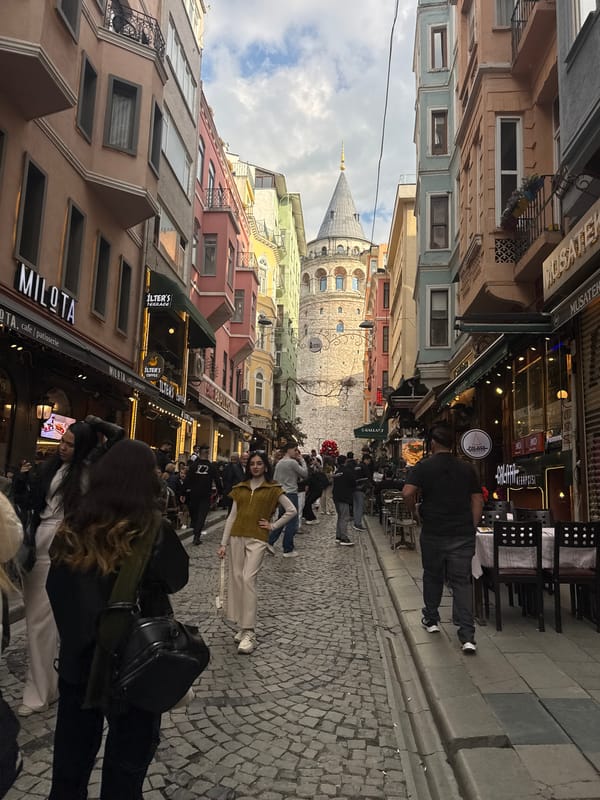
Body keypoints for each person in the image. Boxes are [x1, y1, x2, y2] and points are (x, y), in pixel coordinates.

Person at [45, 439, 188, 800]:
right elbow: (177, 577)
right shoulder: (152, 529)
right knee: (125, 774)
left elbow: (56, 588)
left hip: (80, 664)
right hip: (134, 667)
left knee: (69, 768)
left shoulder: (74, 525)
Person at [11, 420, 103, 716]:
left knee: (40, 621)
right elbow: (34, 505)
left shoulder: (86, 476)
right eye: (63, 441)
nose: (63, 447)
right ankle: (47, 687)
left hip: (58, 549)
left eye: (71, 444)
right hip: (36, 546)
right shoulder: (52, 468)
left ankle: (39, 692)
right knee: (39, 621)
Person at [402, 422, 484, 655]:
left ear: (433, 443)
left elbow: (407, 492)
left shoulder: (423, 466)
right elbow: (477, 499)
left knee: (433, 576)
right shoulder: (467, 468)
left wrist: (414, 512)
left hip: (434, 531)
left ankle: (432, 619)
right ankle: (467, 636)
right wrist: (472, 525)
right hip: (461, 533)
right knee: (461, 582)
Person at [217, 451, 296, 654]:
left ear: (266, 466)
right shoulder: (240, 488)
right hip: (236, 537)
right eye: (252, 463)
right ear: (248, 466)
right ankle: (242, 625)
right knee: (236, 580)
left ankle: (249, 631)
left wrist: (273, 525)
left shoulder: (273, 489)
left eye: (259, 463)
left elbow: (291, 510)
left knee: (247, 579)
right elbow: (231, 517)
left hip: (257, 539)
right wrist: (223, 543)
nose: (255, 466)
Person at [268, 443, 307, 557]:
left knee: (282, 519)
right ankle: (288, 549)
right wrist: (302, 460)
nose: (296, 452)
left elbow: (274, 479)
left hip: (281, 494)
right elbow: (304, 474)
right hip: (291, 493)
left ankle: (270, 541)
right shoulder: (292, 462)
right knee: (292, 522)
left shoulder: (279, 463)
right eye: (295, 450)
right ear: (289, 450)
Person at [184, 445, 222, 545]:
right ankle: (196, 535)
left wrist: (183, 492)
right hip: (204, 493)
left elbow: (187, 479)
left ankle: (196, 533)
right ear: (206, 453)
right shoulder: (211, 467)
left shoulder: (194, 465)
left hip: (195, 493)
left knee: (196, 514)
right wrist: (221, 492)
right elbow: (217, 480)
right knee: (201, 515)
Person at [331, 455, 355, 546]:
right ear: (345, 462)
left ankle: (338, 535)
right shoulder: (347, 472)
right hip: (344, 497)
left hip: (336, 496)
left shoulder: (338, 471)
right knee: (344, 517)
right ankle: (344, 538)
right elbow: (353, 483)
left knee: (340, 516)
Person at [346, 452, 368, 532]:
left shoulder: (350, 465)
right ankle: (358, 524)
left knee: (355, 506)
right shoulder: (360, 466)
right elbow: (367, 477)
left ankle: (356, 522)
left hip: (352, 488)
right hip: (360, 488)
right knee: (359, 506)